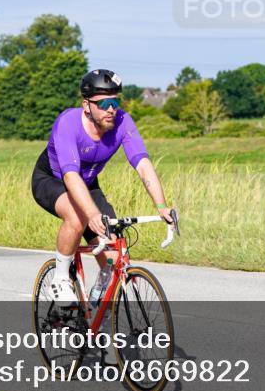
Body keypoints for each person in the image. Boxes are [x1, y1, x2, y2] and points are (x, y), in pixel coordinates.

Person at [31, 68, 174, 305]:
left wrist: (161, 206)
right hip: (53, 179)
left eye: (115, 101)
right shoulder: (68, 122)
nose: (111, 108)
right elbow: (70, 176)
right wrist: (92, 214)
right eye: (104, 102)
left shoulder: (122, 122)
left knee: (113, 251)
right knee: (78, 218)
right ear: (86, 105)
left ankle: (103, 299)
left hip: (87, 183)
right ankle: (60, 278)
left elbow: (143, 164)